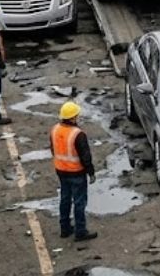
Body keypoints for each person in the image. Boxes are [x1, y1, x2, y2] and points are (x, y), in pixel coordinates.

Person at [52, 101, 97, 242]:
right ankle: (80, 231)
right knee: (79, 202)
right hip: (76, 172)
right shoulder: (78, 134)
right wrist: (91, 172)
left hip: (61, 170)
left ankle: (64, 228)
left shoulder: (55, 130)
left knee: (65, 199)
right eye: (76, 115)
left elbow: (53, 149)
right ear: (72, 118)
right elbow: (85, 156)